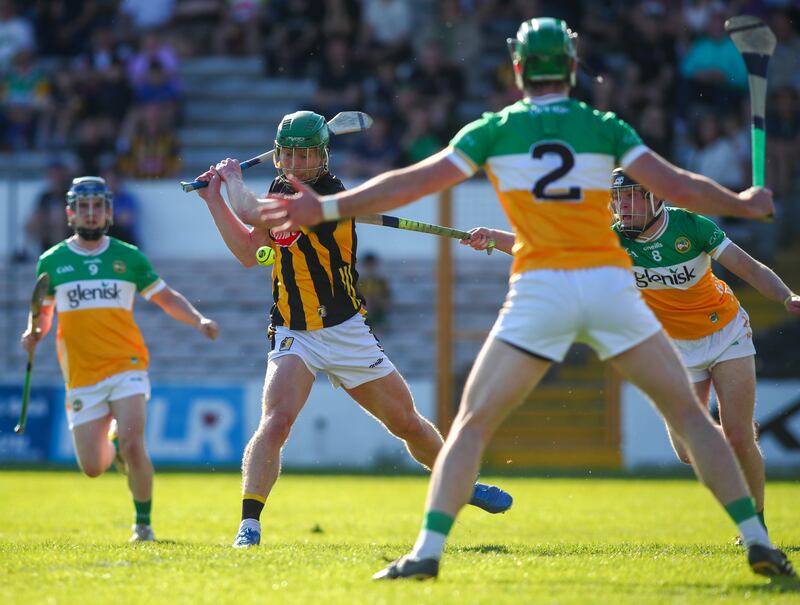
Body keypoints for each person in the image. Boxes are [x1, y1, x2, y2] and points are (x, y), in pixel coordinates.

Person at [258, 19, 795, 579]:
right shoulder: (602, 125)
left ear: (517, 68)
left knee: (471, 423)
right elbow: (677, 187)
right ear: (569, 66)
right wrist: (743, 201)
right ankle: (756, 538)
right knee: (689, 415)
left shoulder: (494, 129)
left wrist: (322, 208)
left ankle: (426, 554)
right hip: (609, 282)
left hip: (541, 287)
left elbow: (411, 182)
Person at [193, 110, 513, 549]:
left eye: (306, 155)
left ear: (323, 157)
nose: (297, 163)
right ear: (279, 155)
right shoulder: (280, 188)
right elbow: (251, 252)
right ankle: (249, 526)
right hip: (294, 331)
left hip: (346, 329)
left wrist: (230, 179)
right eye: (289, 154)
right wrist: (215, 201)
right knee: (275, 422)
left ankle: (462, 484)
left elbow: (249, 209)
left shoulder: (326, 195)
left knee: (409, 425)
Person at [463, 167, 800, 542]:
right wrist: (494, 238)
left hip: (726, 333)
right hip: (674, 348)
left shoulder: (692, 227)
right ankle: (736, 439)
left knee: (739, 437)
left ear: (654, 198)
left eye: (630, 198)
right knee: (689, 452)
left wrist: (786, 296)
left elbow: (748, 267)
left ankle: (755, 523)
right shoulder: (611, 239)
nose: (621, 207)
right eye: (617, 199)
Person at [20, 176, 219, 542]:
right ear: (70, 213)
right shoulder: (53, 261)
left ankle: (142, 525)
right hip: (81, 376)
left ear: (108, 211)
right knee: (93, 468)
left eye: (98, 207)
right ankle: (112, 446)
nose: (91, 214)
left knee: (133, 443)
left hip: (127, 365)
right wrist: (34, 333)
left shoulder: (129, 257)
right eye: (84, 208)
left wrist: (198, 319)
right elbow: (43, 313)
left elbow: (165, 297)